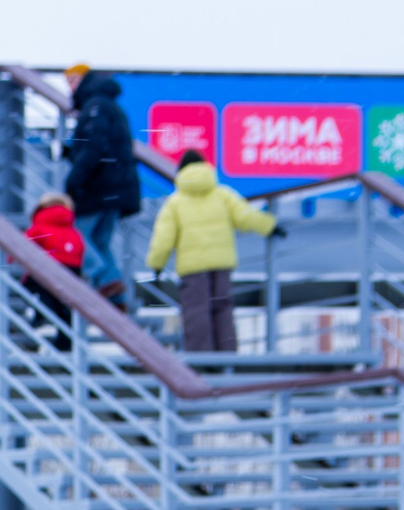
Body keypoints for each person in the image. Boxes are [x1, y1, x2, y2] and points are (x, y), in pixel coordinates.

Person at [147, 149, 276, 354]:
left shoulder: (175, 202)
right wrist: (270, 226)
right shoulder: (222, 194)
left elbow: (163, 238)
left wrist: (156, 264)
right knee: (223, 309)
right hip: (221, 263)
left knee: (196, 311)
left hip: (193, 267)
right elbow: (245, 216)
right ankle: (227, 357)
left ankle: (201, 360)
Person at [64, 65, 144, 309]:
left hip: (97, 188)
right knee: (100, 241)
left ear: (85, 79)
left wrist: (73, 179)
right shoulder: (110, 106)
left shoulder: (95, 108)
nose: (70, 86)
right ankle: (116, 294)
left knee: (77, 235)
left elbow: (94, 147)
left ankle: (107, 279)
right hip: (114, 189)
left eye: (73, 79)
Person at [22, 192, 87, 351]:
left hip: (47, 269)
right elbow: (80, 249)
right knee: (65, 310)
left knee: (29, 286)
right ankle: (65, 344)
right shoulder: (73, 230)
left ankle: (41, 314)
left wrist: (9, 259)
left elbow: (23, 245)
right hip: (72, 270)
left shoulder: (40, 226)